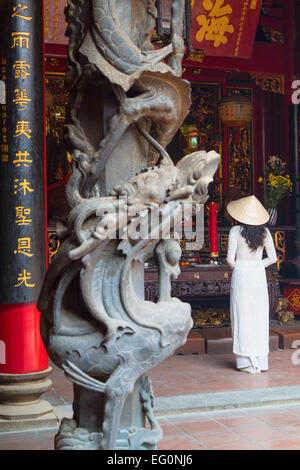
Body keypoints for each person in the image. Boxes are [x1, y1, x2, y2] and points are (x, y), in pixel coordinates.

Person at [226, 195, 277, 374]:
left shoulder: (235, 231)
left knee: (242, 316)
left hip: (241, 276)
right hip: (257, 276)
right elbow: (272, 258)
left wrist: (241, 265)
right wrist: (257, 265)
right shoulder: (265, 233)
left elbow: (229, 260)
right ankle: (261, 363)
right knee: (258, 317)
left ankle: (245, 363)